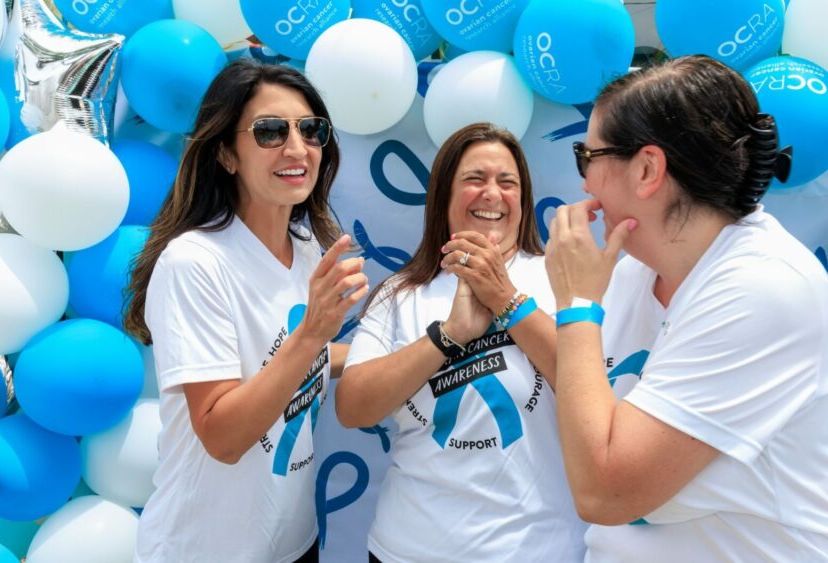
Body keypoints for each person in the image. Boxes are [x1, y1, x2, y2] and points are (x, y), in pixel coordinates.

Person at [544, 54, 828, 561]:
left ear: (648, 168)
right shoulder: (633, 270)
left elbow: (603, 490)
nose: (584, 183)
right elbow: (582, 390)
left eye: (588, 158)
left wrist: (577, 305)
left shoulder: (764, 287)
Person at [123, 59, 368, 563]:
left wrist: (417, 344)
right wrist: (312, 334)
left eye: (311, 130)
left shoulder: (306, 249)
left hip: (293, 540)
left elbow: (304, 365)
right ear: (226, 155)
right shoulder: (196, 262)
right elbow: (222, 436)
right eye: (270, 131)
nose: (297, 148)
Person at [336, 122, 587, 562]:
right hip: (408, 549)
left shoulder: (560, 279)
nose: (492, 194)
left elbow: (589, 390)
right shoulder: (400, 292)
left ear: (523, 201)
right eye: (475, 179)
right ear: (443, 197)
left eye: (507, 183)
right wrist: (448, 336)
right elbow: (354, 407)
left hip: (537, 550)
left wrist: (505, 300)